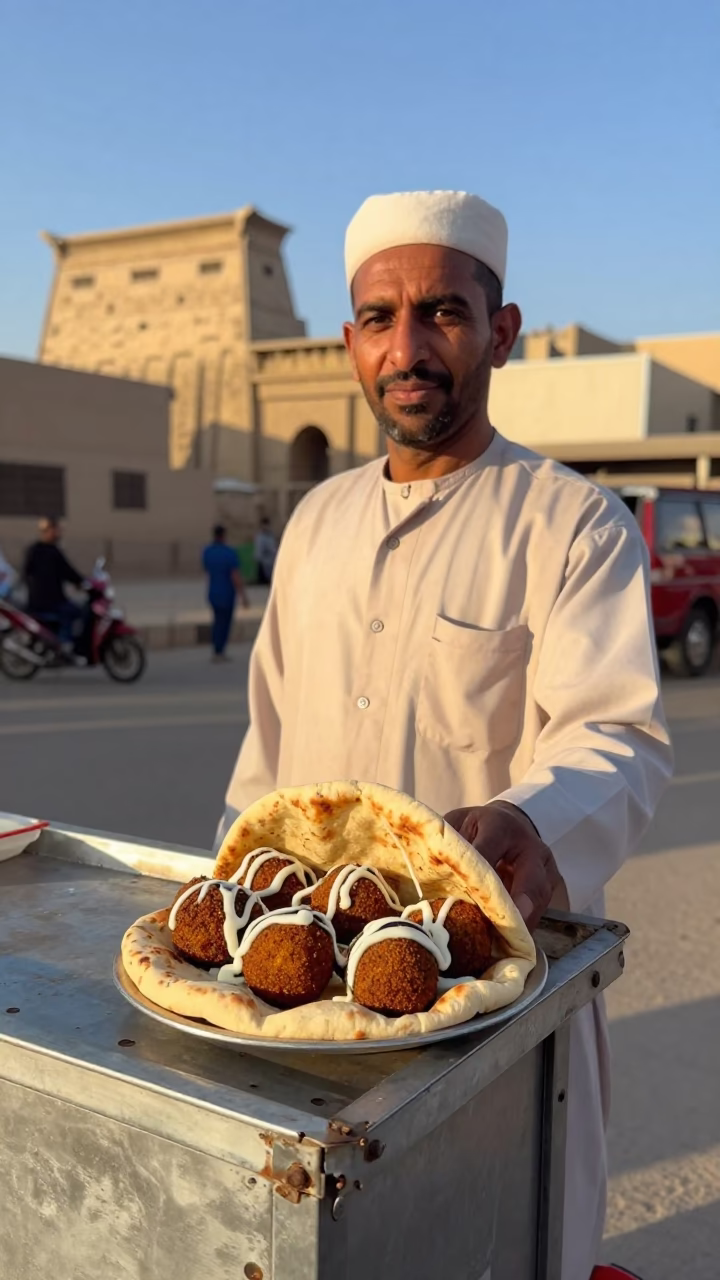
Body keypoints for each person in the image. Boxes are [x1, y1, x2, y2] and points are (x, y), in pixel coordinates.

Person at [216, 191, 672, 1279]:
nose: (408, 348)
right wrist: (230, 909)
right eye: (380, 317)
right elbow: (264, 755)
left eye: (442, 313)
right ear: (351, 340)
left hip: (491, 1007)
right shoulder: (316, 525)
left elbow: (620, 735)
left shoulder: (571, 525)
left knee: (493, 1246)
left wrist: (528, 815)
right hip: (306, 1000)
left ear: (501, 331)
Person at [23, 517, 85, 650]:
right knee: (76, 611)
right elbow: (68, 571)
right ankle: (64, 643)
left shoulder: (33, 550)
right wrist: (83, 582)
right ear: (46, 531)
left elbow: (26, 574)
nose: (58, 533)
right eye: (55, 530)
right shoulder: (52, 552)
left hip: (38, 600)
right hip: (49, 601)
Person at [202, 524, 249, 662]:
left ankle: (216, 650)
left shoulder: (207, 552)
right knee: (225, 623)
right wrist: (243, 596)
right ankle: (220, 651)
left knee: (217, 621)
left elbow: (206, 570)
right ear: (224, 535)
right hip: (226, 594)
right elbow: (235, 576)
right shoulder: (230, 553)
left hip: (213, 592)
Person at [253, 517, 278, 586]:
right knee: (263, 581)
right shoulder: (260, 537)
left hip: (271, 560)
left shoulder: (271, 536)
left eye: (267, 525)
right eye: (264, 525)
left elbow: (273, 548)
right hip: (263, 561)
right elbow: (259, 551)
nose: (266, 527)